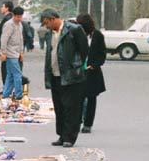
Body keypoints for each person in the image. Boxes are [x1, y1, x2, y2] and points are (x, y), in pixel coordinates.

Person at [40, 8, 89, 148]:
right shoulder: (50, 34)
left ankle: (70, 137)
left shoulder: (74, 29)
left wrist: (75, 66)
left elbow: (84, 50)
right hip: (55, 75)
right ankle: (62, 135)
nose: (46, 26)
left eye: (46, 23)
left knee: (71, 108)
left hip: (71, 76)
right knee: (59, 107)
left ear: (52, 19)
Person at [75, 13, 106, 133]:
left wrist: (93, 65)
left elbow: (102, 54)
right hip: (78, 71)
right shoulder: (76, 34)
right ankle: (77, 122)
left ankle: (88, 123)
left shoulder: (98, 35)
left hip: (92, 72)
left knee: (91, 98)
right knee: (78, 99)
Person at [0, 5, 25, 101]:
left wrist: (21, 52)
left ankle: (5, 94)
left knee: (10, 75)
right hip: (10, 53)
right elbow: (4, 39)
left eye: (20, 16)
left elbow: (21, 39)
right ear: (13, 15)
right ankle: (19, 95)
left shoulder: (20, 24)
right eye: (17, 16)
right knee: (17, 74)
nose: (19, 18)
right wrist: (3, 53)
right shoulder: (9, 25)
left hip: (17, 52)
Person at [0, 0, 14, 85]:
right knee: (5, 68)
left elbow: (5, 36)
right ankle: (7, 88)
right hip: (6, 49)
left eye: (2, 6)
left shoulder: (8, 19)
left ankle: (7, 90)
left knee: (6, 69)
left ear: (7, 8)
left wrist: (2, 50)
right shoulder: (8, 18)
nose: (1, 8)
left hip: (6, 49)